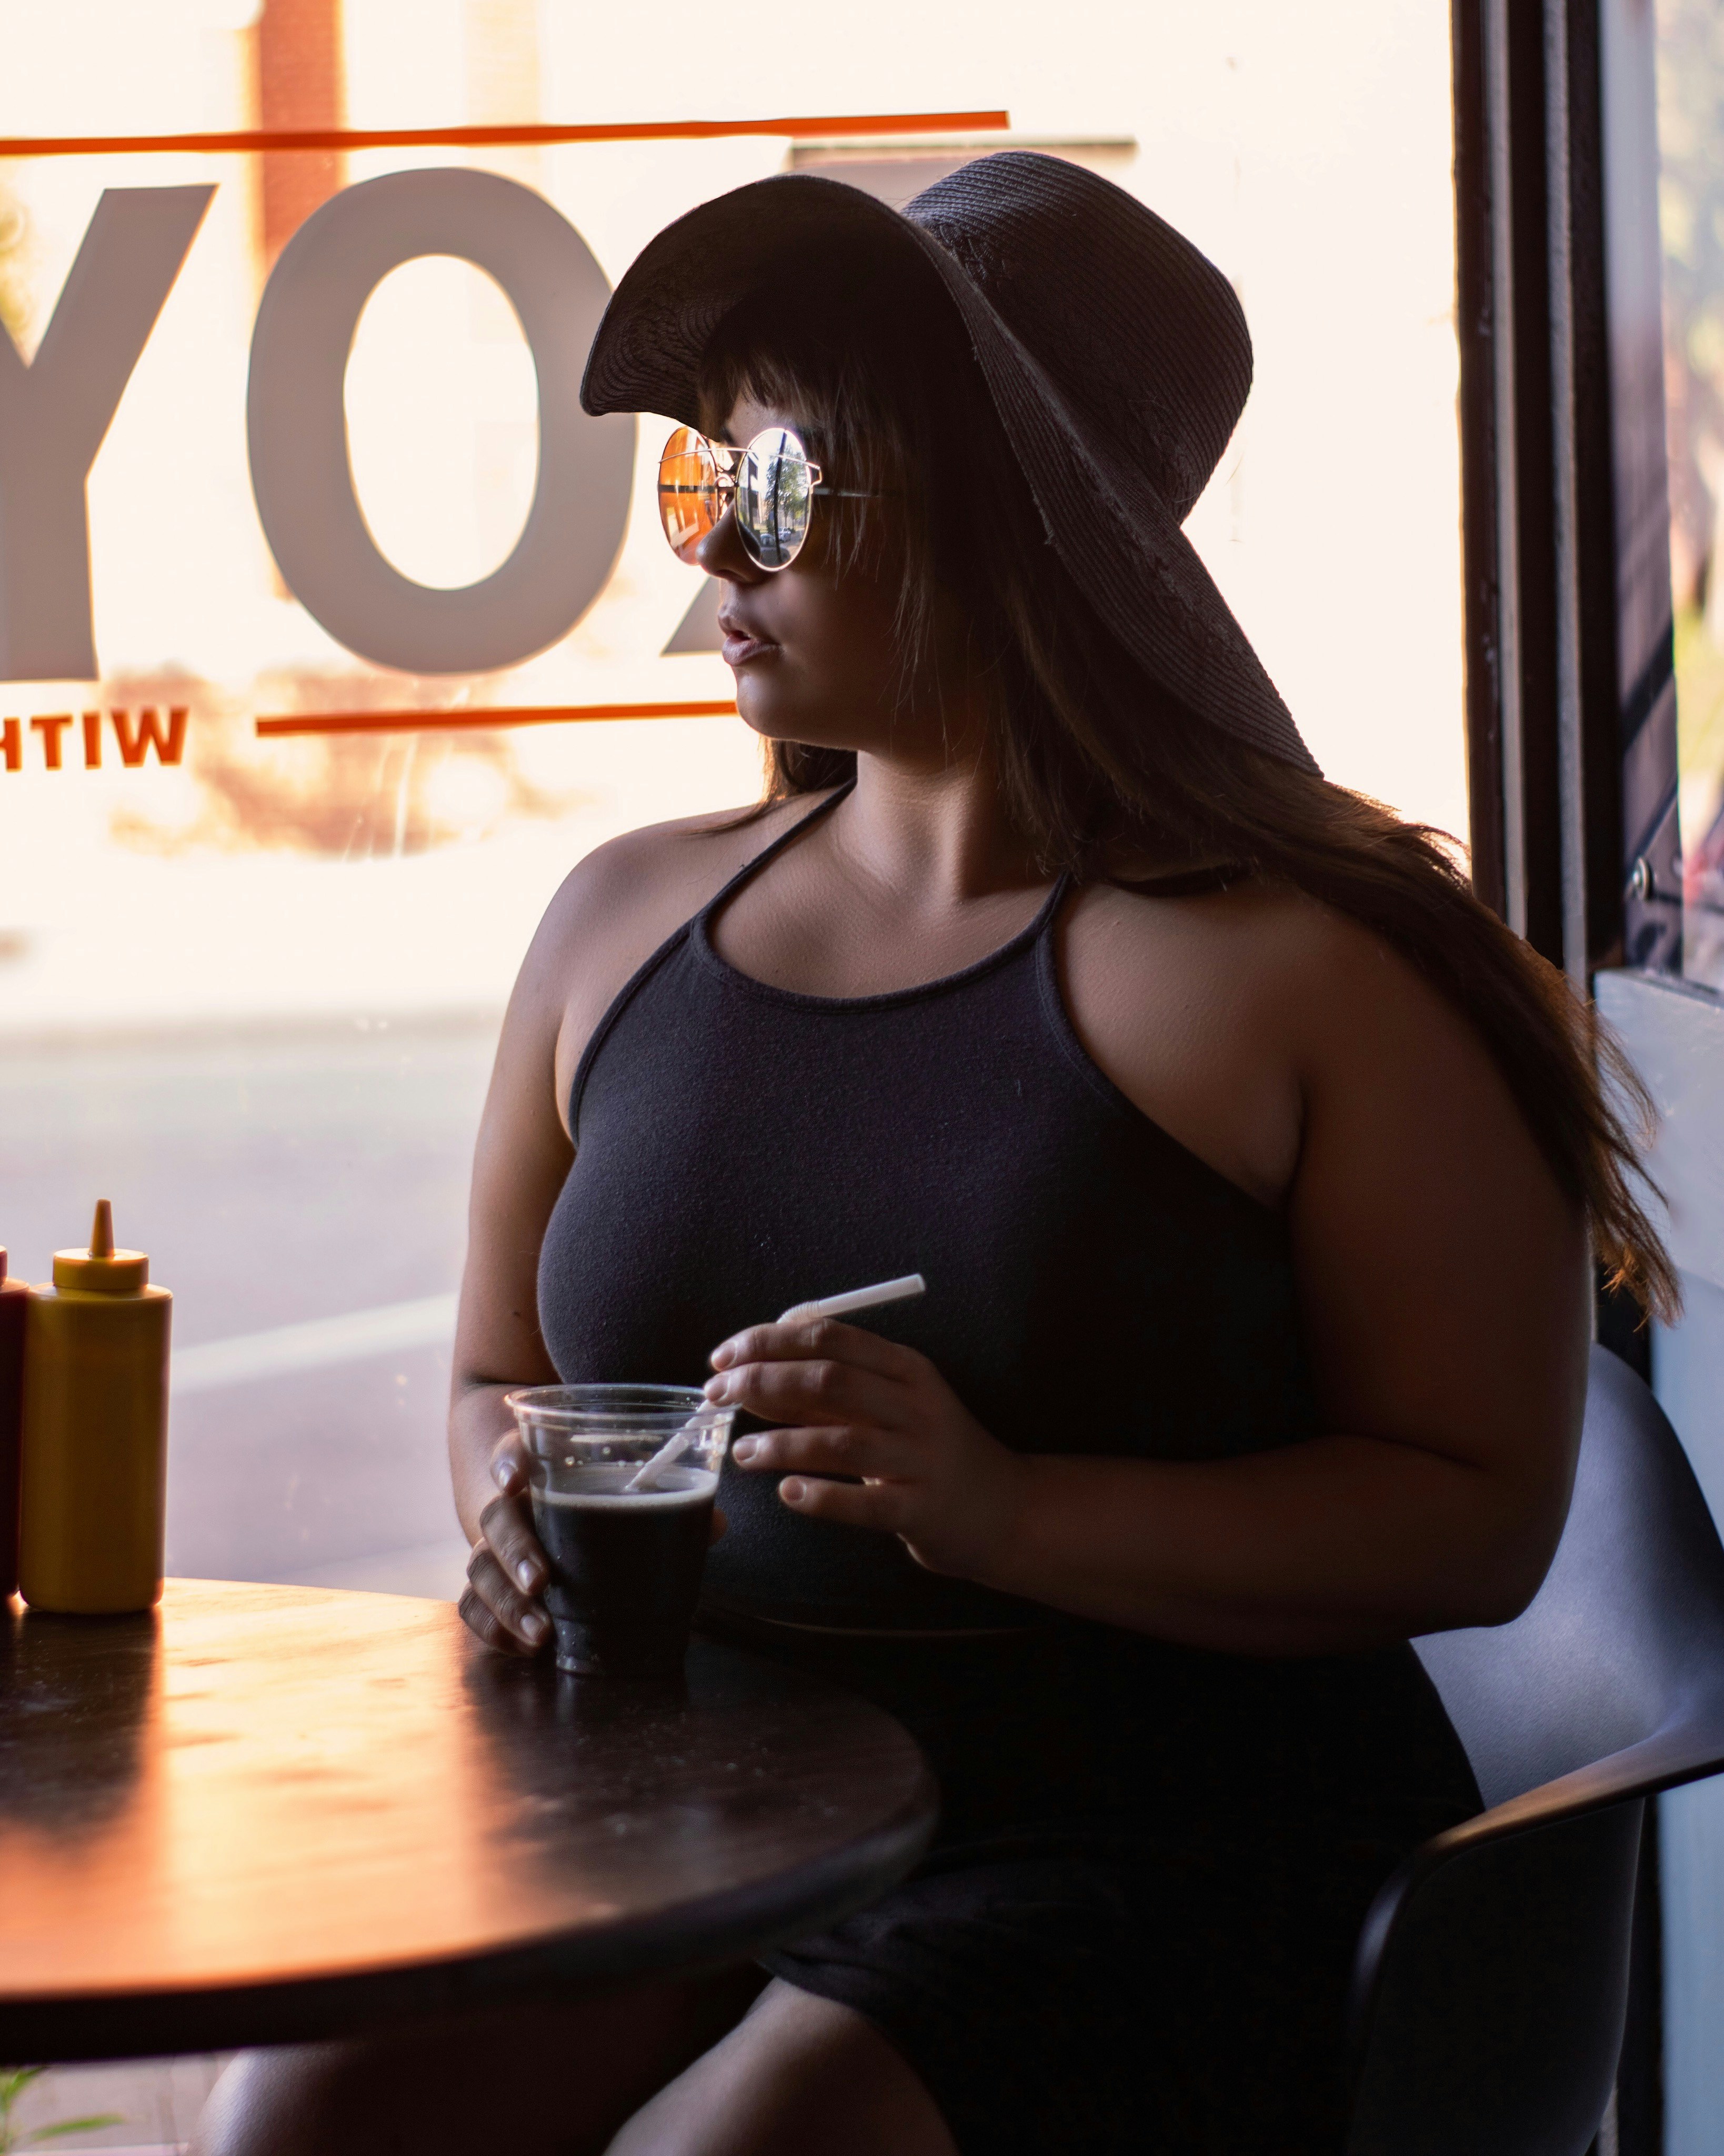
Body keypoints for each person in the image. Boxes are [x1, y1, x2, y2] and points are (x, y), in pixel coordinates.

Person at [194, 152, 1675, 2156]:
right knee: (289, 2125)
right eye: (701, 491)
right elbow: (495, 1384)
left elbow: (1477, 1524)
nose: (715, 571)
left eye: (780, 496)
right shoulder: (615, 924)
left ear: (1003, 520)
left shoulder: (1320, 978)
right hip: (695, 1814)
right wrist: (513, 1516)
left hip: (1149, 1845)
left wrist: (1002, 1506)